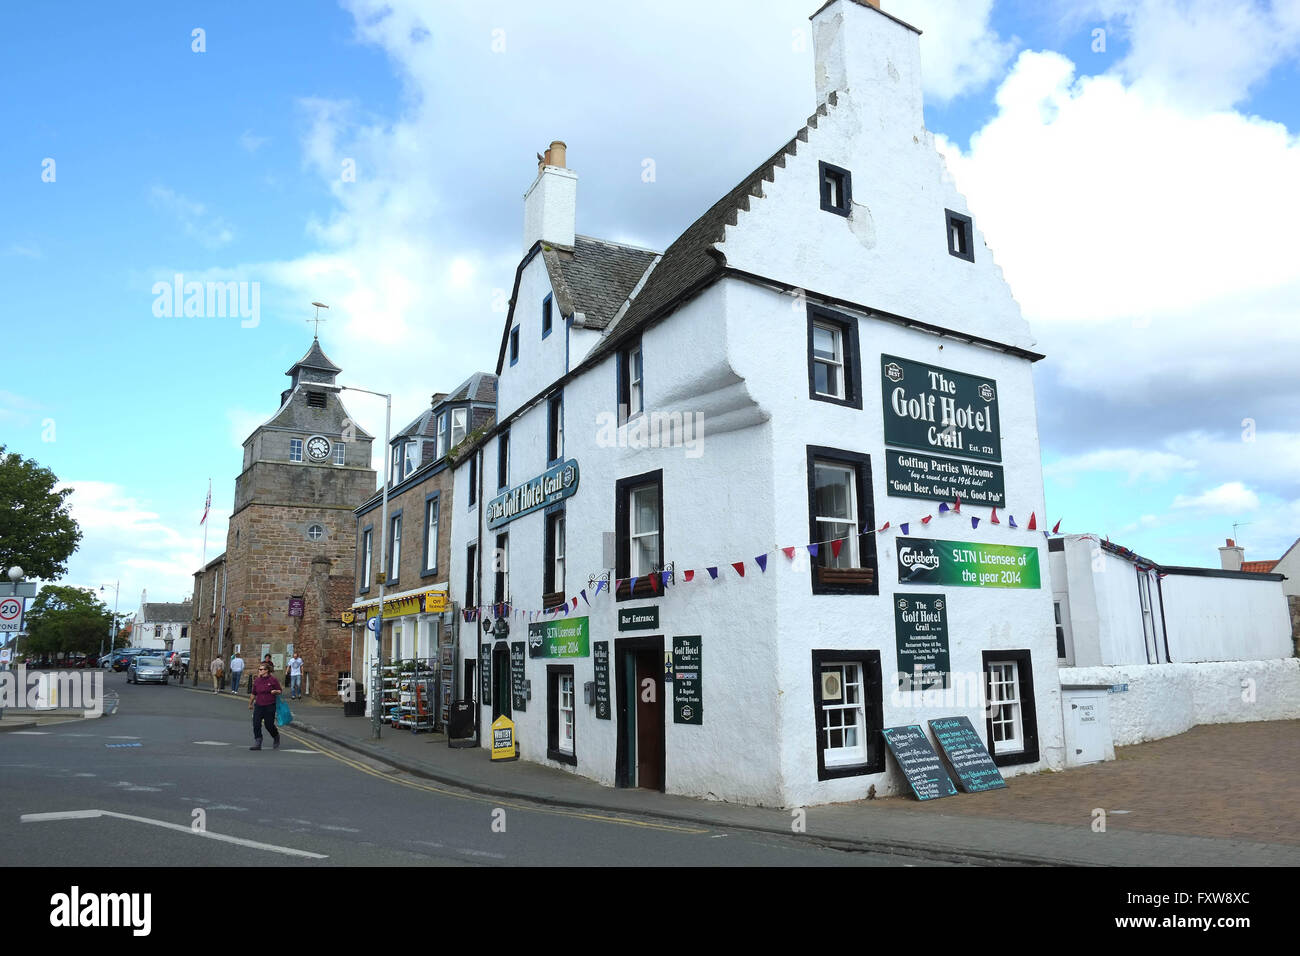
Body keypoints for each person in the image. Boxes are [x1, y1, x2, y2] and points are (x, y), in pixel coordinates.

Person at [247, 661, 282, 751]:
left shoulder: (273, 680)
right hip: (259, 705)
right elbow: (253, 693)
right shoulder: (257, 680)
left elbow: (280, 690)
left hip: (270, 705)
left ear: (266, 671)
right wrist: (250, 703)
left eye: (261, 669)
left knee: (269, 725)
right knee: (256, 723)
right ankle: (258, 741)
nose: (259, 671)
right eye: (259, 669)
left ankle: (276, 736)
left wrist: (275, 691)